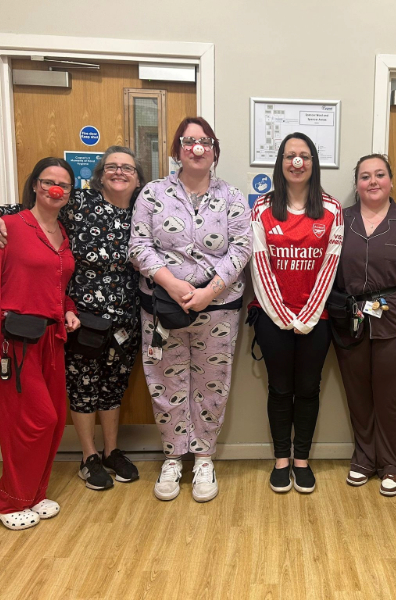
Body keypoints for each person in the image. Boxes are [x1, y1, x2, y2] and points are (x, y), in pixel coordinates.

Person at [0, 147, 147, 491]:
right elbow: (24, 212)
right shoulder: (79, 203)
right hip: (80, 316)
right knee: (84, 386)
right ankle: (88, 457)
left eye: (127, 168)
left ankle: (111, 450)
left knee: (114, 387)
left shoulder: (144, 210)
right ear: (99, 175)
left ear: (139, 179)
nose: (119, 172)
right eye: (112, 166)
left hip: (128, 316)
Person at [130, 116, 252, 503]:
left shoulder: (232, 196)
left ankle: (203, 458)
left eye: (204, 141)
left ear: (215, 150)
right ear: (176, 149)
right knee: (164, 382)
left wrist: (208, 292)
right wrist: (173, 283)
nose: (196, 148)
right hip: (161, 307)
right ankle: (172, 456)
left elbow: (242, 248)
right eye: (188, 140)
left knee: (211, 385)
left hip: (219, 310)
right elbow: (139, 246)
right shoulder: (152, 193)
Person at [0, 157, 81, 530]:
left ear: (69, 193)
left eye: (63, 185)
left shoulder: (62, 235)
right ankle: (6, 501)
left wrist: (67, 308)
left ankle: (33, 494)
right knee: (34, 421)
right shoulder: (8, 227)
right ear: (35, 185)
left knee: (53, 423)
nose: (56, 189)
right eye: (49, 181)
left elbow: (56, 285)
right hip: (13, 344)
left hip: (51, 340)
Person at [332, 154, 396, 497]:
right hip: (352, 321)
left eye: (379, 175)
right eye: (365, 176)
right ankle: (364, 458)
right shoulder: (340, 221)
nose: (372, 181)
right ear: (357, 184)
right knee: (359, 395)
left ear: (391, 181)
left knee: (395, 397)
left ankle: (394, 464)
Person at [248, 133, 343, 494]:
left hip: (316, 318)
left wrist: (308, 314)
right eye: (290, 156)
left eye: (304, 156)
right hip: (272, 317)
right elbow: (260, 264)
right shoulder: (262, 208)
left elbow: (329, 266)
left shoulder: (332, 210)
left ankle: (301, 460)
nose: (297, 162)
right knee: (279, 388)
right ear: (281, 163)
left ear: (314, 162)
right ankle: (281, 460)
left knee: (307, 389)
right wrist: (282, 315)